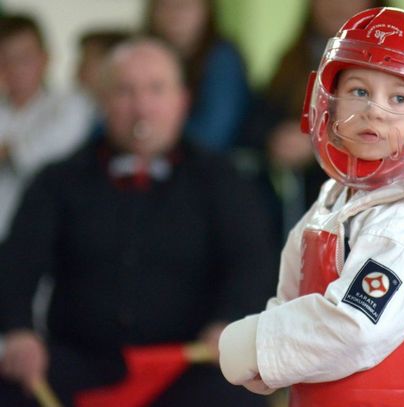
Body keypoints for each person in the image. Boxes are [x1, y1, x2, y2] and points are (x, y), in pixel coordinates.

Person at [219, 7, 404, 406]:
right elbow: (293, 296)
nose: (374, 110)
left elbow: (356, 328)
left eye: (399, 98)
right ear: (326, 101)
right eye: (359, 91)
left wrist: (258, 344)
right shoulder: (331, 203)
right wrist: (268, 357)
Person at [0, 37, 277, 407]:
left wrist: (228, 323)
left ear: (182, 100)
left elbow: (253, 263)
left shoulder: (224, 180)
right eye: (124, 92)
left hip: (189, 365)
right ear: (102, 102)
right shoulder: (57, 180)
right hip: (80, 361)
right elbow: (17, 263)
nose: (142, 107)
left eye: (156, 90)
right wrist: (19, 332)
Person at [239, 0, 387, 243]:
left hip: (369, 213)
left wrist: (320, 142)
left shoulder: (390, 63)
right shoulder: (294, 59)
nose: (336, 5)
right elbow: (256, 123)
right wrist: (276, 139)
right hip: (303, 212)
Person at [0, 14, 92, 242]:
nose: (15, 68)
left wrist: (9, 151)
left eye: (24, 58)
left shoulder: (70, 105)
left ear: (45, 58)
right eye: (5, 59)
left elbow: (43, 157)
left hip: (44, 237)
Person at [143, 0, 252, 153]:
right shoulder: (140, 56)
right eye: (164, 5)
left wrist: (148, 134)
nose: (174, 15)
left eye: (185, 6)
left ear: (207, 10)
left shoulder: (223, 59)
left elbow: (212, 135)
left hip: (203, 160)